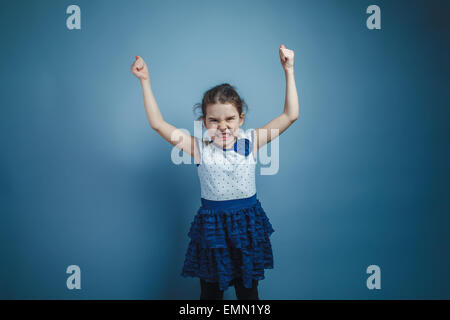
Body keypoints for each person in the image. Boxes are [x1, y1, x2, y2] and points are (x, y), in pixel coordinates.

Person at [130, 45, 299, 299]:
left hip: (246, 226)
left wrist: (289, 69)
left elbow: (290, 115)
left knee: (248, 294)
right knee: (210, 296)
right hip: (213, 229)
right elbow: (157, 124)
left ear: (241, 119)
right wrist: (145, 81)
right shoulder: (198, 148)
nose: (223, 127)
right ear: (204, 122)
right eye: (214, 120)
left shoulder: (251, 142)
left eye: (229, 119)